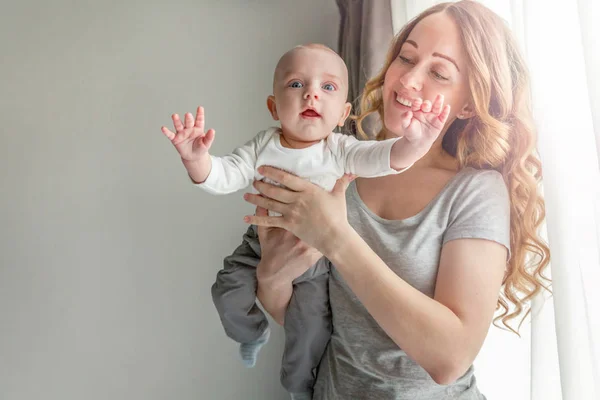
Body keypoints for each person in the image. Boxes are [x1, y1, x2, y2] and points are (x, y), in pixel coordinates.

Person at [242, 1, 551, 399]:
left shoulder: (475, 191)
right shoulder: (342, 166)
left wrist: (337, 238)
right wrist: (271, 275)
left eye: (439, 73)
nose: (408, 81)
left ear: (471, 102)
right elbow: (301, 315)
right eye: (406, 58)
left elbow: (449, 359)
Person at [160, 43, 449, 399]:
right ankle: (251, 334)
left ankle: (299, 389)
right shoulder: (262, 145)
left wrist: (416, 143)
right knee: (226, 291)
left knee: (308, 331)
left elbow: (384, 158)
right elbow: (224, 176)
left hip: (318, 259)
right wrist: (196, 160)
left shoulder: (340, 149)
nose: (311, 93)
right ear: (273, 106)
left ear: (343, 113)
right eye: (296, 84)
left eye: (327, 87)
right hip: (259, 243)